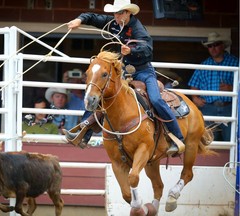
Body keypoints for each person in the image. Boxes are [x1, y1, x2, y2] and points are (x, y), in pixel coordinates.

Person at [64, 0, 185, 155]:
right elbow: (92, 17)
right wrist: (79, 20)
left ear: (128, 13)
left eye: (120, 12)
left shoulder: (137, 28)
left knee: (156, 99)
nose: (117, 15)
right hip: (124, 72)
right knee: (101, 95)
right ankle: (83, 134)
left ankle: (177, 137)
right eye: (115, 12)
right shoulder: (112, 23)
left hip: (143, 72)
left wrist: (131, 51)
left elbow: (148, 49)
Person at [188, 32, 239, 141]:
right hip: (208, 107)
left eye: (216, 45)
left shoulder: (235, 62)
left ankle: (230, 159)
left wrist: (231, 88)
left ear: (223, 46)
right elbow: (194, 84)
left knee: (231, 139)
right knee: (208, 141)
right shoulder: (204, 64)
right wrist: (195, 98)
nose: (213, 48)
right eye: (210, 46)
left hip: (229, 107)